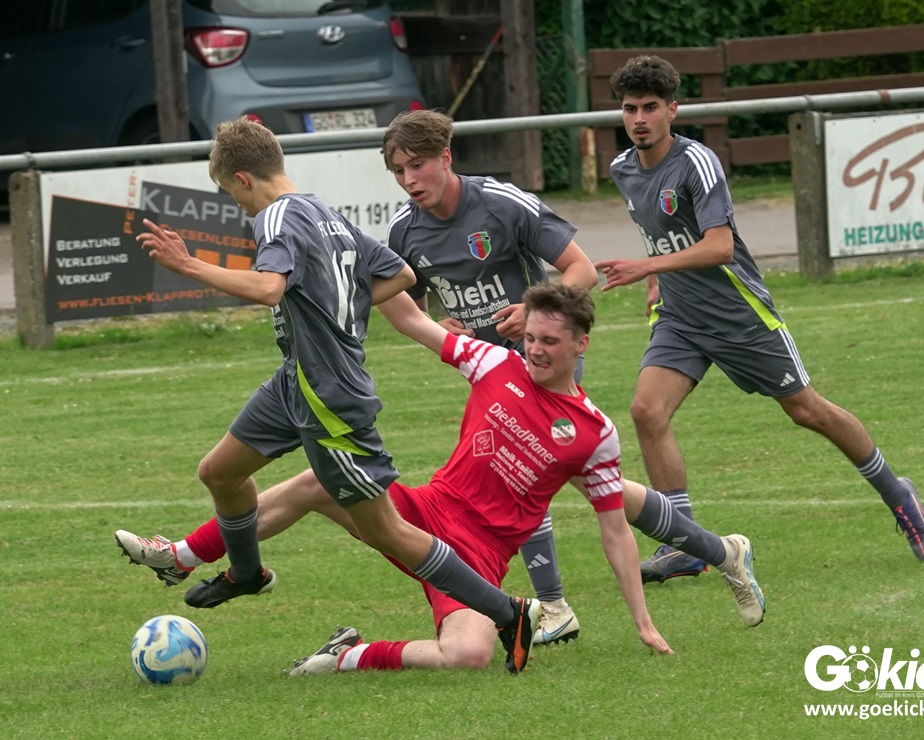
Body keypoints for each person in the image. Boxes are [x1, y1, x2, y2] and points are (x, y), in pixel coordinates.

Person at [119, 284, 765, 676]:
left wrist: (642, 622)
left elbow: (614, 530)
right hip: (425, 511)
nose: (536, 350)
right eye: (532, 338)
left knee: (470, 656)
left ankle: (347, 655)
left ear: (581, 345)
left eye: (550, 341)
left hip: (478, 557)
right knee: (320, 479)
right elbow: (412, 321)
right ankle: (185, 553)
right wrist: (369, 265)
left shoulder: (594, 432)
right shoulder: (493, 362)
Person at [133, 116, 542, 674]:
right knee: (220, 472)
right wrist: (336, 307)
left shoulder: (275, 216)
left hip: (328, 394)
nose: (237, 204)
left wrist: (187, 264)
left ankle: (507, 612)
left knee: (386, 530)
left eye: (231, 193)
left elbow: (270, 287)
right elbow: (401, 274)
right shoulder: (322, 212)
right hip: (294, 379)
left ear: (244, 179)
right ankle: (247, 573)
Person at [593, 55, 924, 574]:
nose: (639, 119)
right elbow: (662, 233)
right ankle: (686, 545)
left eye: (650, 107)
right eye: (629, 109)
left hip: (739, 315)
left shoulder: (697, 163)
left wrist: (647, 267)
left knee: (807, 412)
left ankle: (898, 494)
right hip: (681, 317)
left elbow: (720, 246)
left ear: (672, 110)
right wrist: (659, 279)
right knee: (647, 411)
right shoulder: (623, 169)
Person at [381, 109, 598, 642]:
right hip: (485, 374)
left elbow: (582, 270)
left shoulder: (501, 204)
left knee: (520, 477)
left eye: (417, 165)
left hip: (540, 360)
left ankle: (554, 608)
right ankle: (713, 548)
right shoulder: (404, 230)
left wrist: (535, 313)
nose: (409, 180)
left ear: (445, 157)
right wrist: (437, 325)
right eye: (398, 171)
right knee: (576, 481)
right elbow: (406, 302)